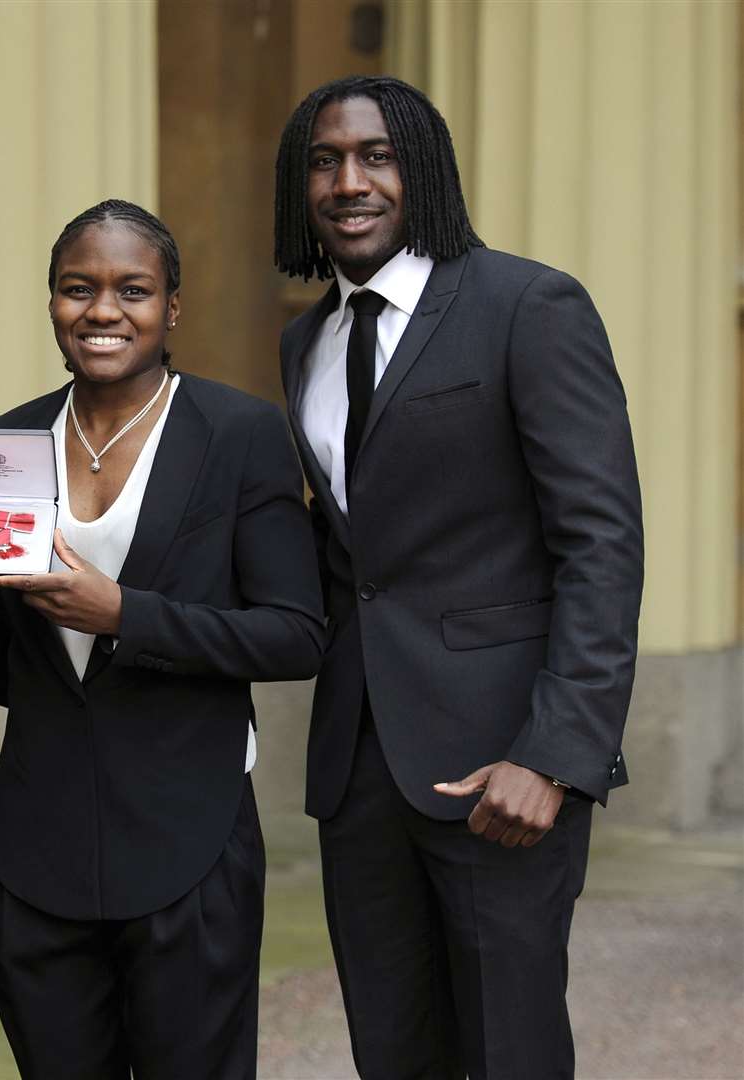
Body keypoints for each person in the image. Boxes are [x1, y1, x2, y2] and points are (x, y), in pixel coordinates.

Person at [0, 199, 326, 1079]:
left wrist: (124, 613)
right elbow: (8, 668)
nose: (102, 311)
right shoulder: (4, 443)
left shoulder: (237, 435)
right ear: (52, 301)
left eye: (132, 290)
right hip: (36, 853)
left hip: (188, 840)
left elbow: (297, 635)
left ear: (172, 308)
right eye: (77, 288)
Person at [273, 75, 644, 1079]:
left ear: (420, 169)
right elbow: (351, 558)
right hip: (359, 773)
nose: (346, 181)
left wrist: (557, 754)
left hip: (499, 769)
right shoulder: (305, 341)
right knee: (390, 1054)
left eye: (374, 156)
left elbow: (600, 545)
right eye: (321, 160)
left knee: (507, 1053)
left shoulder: (528, 305)